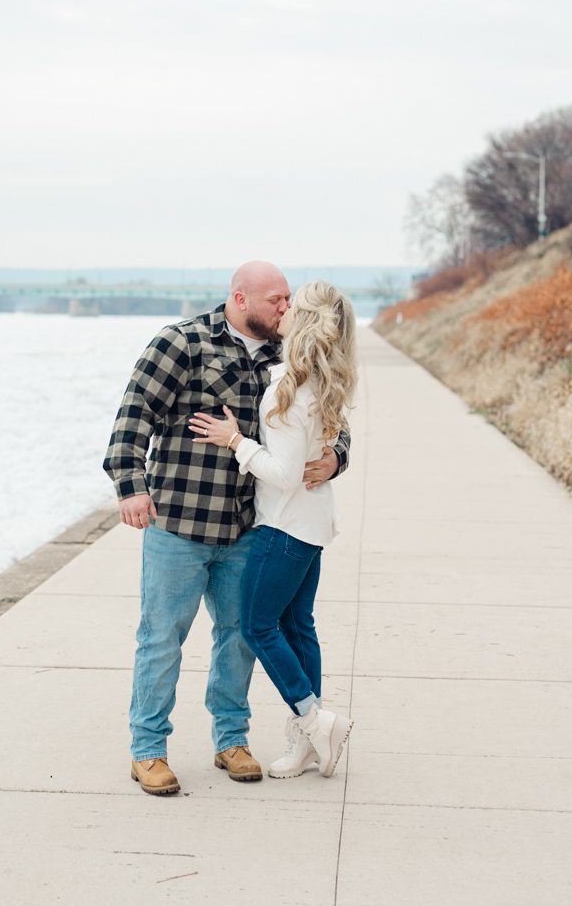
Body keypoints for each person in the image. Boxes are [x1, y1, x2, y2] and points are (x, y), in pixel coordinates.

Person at [103, 263, 351, 795]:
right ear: (240, 299)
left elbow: (331, 418)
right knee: (161, 640)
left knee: (238, 639)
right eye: (276, 301)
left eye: (289, 301)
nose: (286, 309)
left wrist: (337, 458)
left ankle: (231, 740)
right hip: (178, 523)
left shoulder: (289, 354)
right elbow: (133, 414)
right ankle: (148, 750)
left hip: (247, 528)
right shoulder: (182, 342)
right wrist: (130, 485)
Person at [189, 280, 357, 780]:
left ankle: (312, 720)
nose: (281, 310)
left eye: (291, 305)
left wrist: (235, 440)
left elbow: (282, 473)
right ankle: (309, 740)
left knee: (256, 625)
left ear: (302, 322)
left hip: (283, 527)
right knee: (297, 626)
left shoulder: (288, 388)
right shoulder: (323, 381)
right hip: (312, 523)